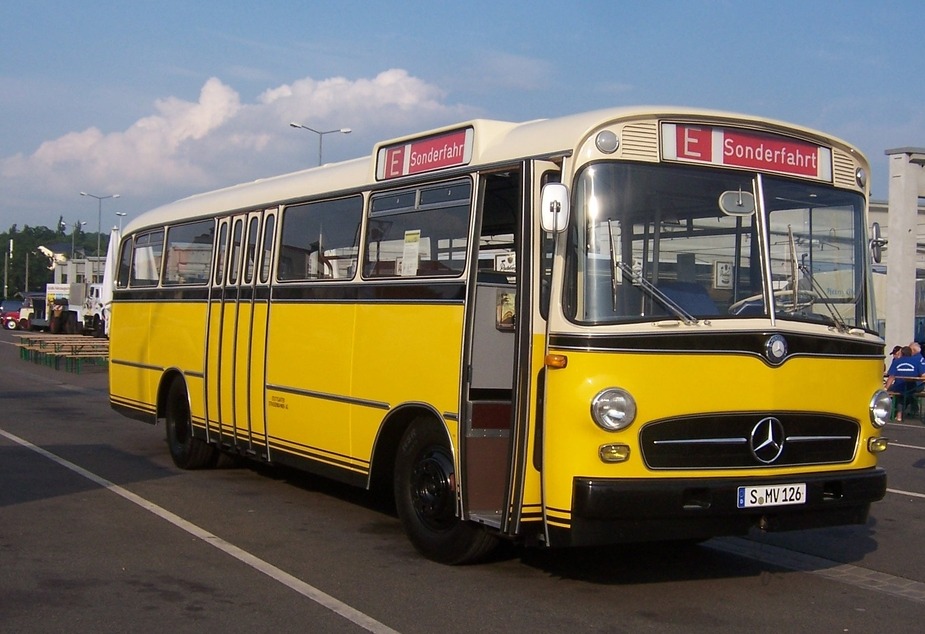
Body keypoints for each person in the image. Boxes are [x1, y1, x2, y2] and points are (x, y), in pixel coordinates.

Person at [885, 346, 922, 422]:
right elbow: (923, 375)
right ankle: (911, 411)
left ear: (901, 353)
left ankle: (897, 414)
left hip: (899, 386)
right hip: (913, 387)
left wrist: (886, 388)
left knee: (896, 393)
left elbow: (891, 377)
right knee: (907, 394)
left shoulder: (896, 361)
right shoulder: (916, 361)